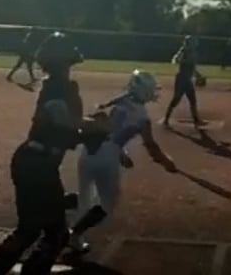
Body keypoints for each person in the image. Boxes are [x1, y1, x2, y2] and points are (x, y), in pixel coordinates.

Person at [0, 64, 87, 274]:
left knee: (50, 230)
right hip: (37, 166)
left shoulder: (55, 89)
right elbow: (68, 127)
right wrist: (95, 129)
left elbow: (69, 125)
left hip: (35, 164)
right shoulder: (58, 93)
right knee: (38, 231)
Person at [67, 70, 177, 257]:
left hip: (88, 152)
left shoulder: (120, 103)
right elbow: (151, 147)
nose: (153, 93)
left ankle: (55, 209)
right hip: (106, 158)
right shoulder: (142, 116)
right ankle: (75, 234)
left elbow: (110, 133)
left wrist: (121, 154)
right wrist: (167, 162)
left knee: (85, 197)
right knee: (107, 203)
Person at [163, 36, 204, 128]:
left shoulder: (192, 52)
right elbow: (175, 60)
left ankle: (196, 119)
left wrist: (198, 75)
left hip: (187, 79)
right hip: (182, 79)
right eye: (193, 42)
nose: (195, 44)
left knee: (192, 100)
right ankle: (166, 119)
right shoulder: (184, 51)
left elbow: (192, 68)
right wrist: (182, 59)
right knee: (176, 99)